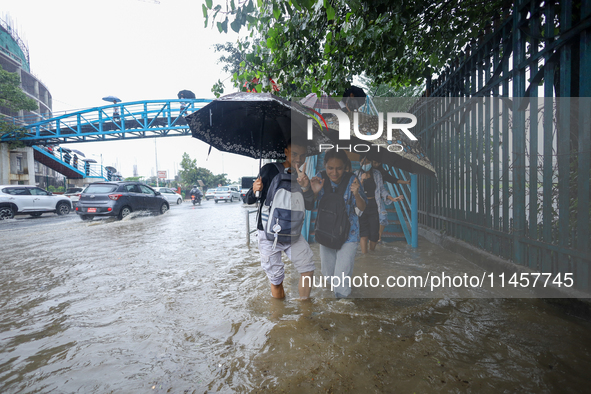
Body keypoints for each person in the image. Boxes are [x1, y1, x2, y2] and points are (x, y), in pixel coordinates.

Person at [244, 138, 316, 300]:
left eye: (302, 156)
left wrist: (306, 187)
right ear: (286, 152)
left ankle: (304, 311)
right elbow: (248, 200)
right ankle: (279, 315)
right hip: (269, 233)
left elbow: (310, 205)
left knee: (308, 269)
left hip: (293, 233)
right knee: (276, 280)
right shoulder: (269, 170)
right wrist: (255, 189)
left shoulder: (302, 175)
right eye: (295, 154)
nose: (298, 159)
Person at [310, 148, 367, 298]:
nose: (334, 172)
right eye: (330, 168)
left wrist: (356, 193)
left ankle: (342, 306)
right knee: (328, 274)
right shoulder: (319, 177)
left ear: (345, 166)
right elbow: (310, 203)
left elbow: (362, 208)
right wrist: (314, 191)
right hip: (326, 231)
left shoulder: (352, 180)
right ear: (324, 165)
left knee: (341, 277)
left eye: (339, 168)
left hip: (349, 234)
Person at [355, 156, 404, 253]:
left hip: (374, 206)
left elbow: (382, 190)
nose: (365, 165)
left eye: (368, 162)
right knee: (364, 234)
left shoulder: (377, 174)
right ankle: (365, 258)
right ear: (360, 163)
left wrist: (392, 198)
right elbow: (355, 192)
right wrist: (361, 181)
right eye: (363, 163)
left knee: (374, 235)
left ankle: (371, 254)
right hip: (362, 206)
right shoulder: (356, 174)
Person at [371, 160, 410, 242]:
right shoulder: (362, 174)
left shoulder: (380, 173)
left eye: (378, 162)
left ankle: (379, 236)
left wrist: (405, 182)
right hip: (366, 199)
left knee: (383, 217)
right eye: (374, 162)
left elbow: (392, 180)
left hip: (377, 198)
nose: (376, 164)